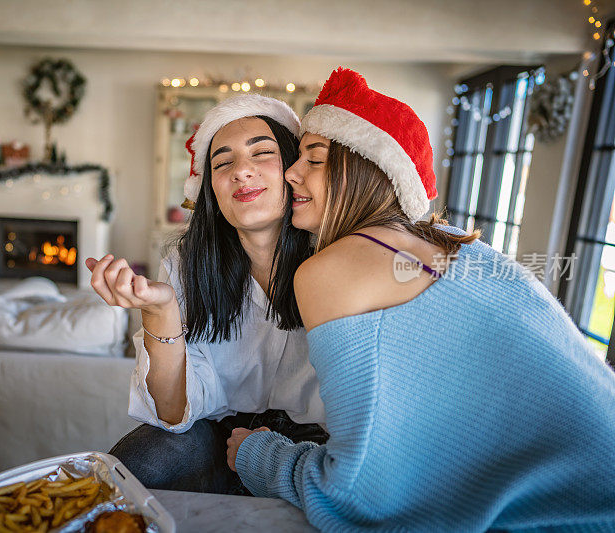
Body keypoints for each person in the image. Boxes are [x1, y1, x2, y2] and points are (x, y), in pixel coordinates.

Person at [227, 67, 615, 531]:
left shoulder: (326, 273)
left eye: (314, 158)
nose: (291, 173)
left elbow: (356, 498)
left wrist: (259, 454)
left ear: (364, 168)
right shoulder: (457, 243)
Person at [85, 94, 327, 494]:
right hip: (216, 437)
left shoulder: (336, 258)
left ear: (292, 169)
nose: (241, 172)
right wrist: (160, 309)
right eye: (222, 162)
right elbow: (172, 413)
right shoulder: (187, 263)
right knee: (145, 456)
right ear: (209, 188)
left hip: (315, 445)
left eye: (261, 153)